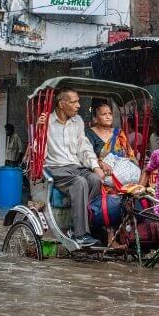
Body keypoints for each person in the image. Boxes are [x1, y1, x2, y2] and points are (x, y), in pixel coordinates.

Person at [36, 88, 110, 247]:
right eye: (74, 102)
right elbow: (37, 152)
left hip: (75, 166)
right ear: (62, 104)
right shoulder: (46, 121)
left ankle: (84, 225)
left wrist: (95, 166)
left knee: (95, 179)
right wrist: (38, 131)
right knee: (79, 183)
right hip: (56, 168)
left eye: (78, 101)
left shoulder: (78, 121)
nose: (78, 105)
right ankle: (80, 234)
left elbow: (84, 148)